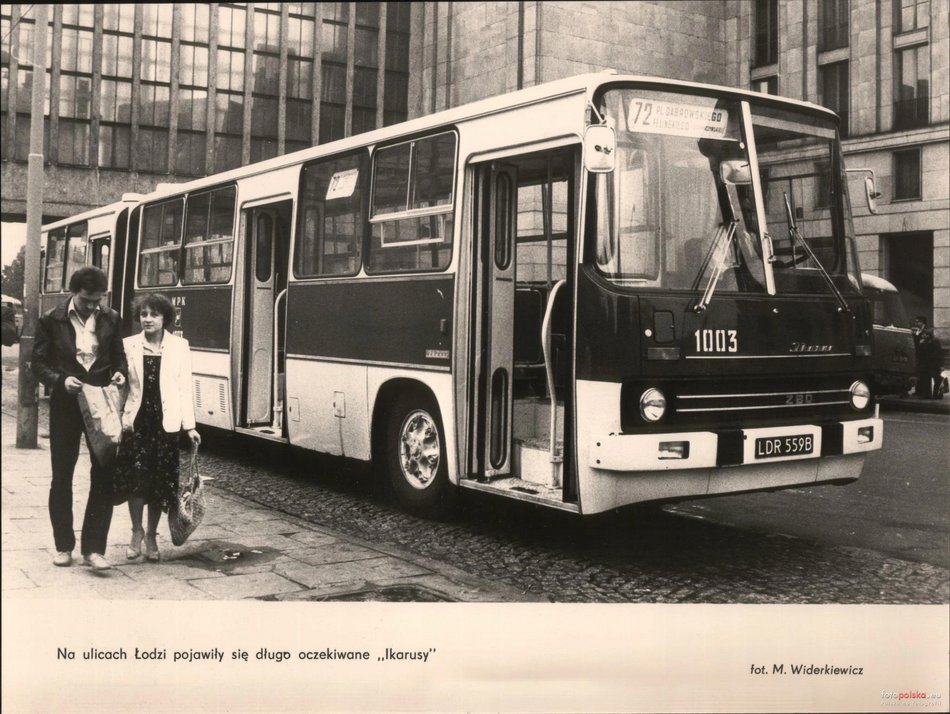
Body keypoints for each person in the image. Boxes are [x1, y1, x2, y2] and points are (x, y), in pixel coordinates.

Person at [32, 266, 128, 570]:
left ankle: (94, 550)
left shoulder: (111, 318)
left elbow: (119, 357)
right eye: (86, 300)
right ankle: (63, 546)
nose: (91, 307)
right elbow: (37, 363)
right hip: (66, 405)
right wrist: (60, 381)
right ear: (74, 293)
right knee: (62, 475)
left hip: (100, 404)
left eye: (97, 301)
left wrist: (119, 373)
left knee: (104, 473)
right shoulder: (51, 319)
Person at [114, 293, 200, 562]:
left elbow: (185, 388)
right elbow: (123, 386)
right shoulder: (128, 345)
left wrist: (190, 427)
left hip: (167, 424)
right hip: (137, 422)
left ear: (166, 319)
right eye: (143, 314)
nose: (148, 319)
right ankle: (136, 532)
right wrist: (117, 417)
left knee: (159, 484)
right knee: (137, 481)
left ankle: (152, 535)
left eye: (154, 314)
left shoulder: (180, 346)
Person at [912, 315, 943, 399]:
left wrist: (941, 365)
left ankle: (935, 395)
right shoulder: (923, 338)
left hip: (933, 363)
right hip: (927, 362)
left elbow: (938, 353)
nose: (923, 336)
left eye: (918, 321)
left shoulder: (933, 341)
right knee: (925, 377)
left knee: (934, 379)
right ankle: (927, 394)